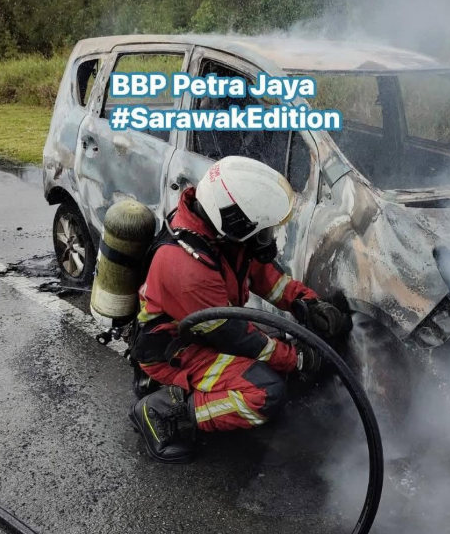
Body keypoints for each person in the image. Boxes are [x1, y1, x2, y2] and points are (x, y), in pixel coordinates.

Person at [129, 155, 351, 462]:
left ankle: (189, 394)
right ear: (235, 221)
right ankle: (164, 409)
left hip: (206, 332)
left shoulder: (218, 235)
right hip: (175, 351)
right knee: (265, 391)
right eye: (263, 231)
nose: (268, 239)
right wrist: (298, 359)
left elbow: (266, 278)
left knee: (278, 347)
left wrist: (307, 304)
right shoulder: (186, 268)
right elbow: (239, 338)